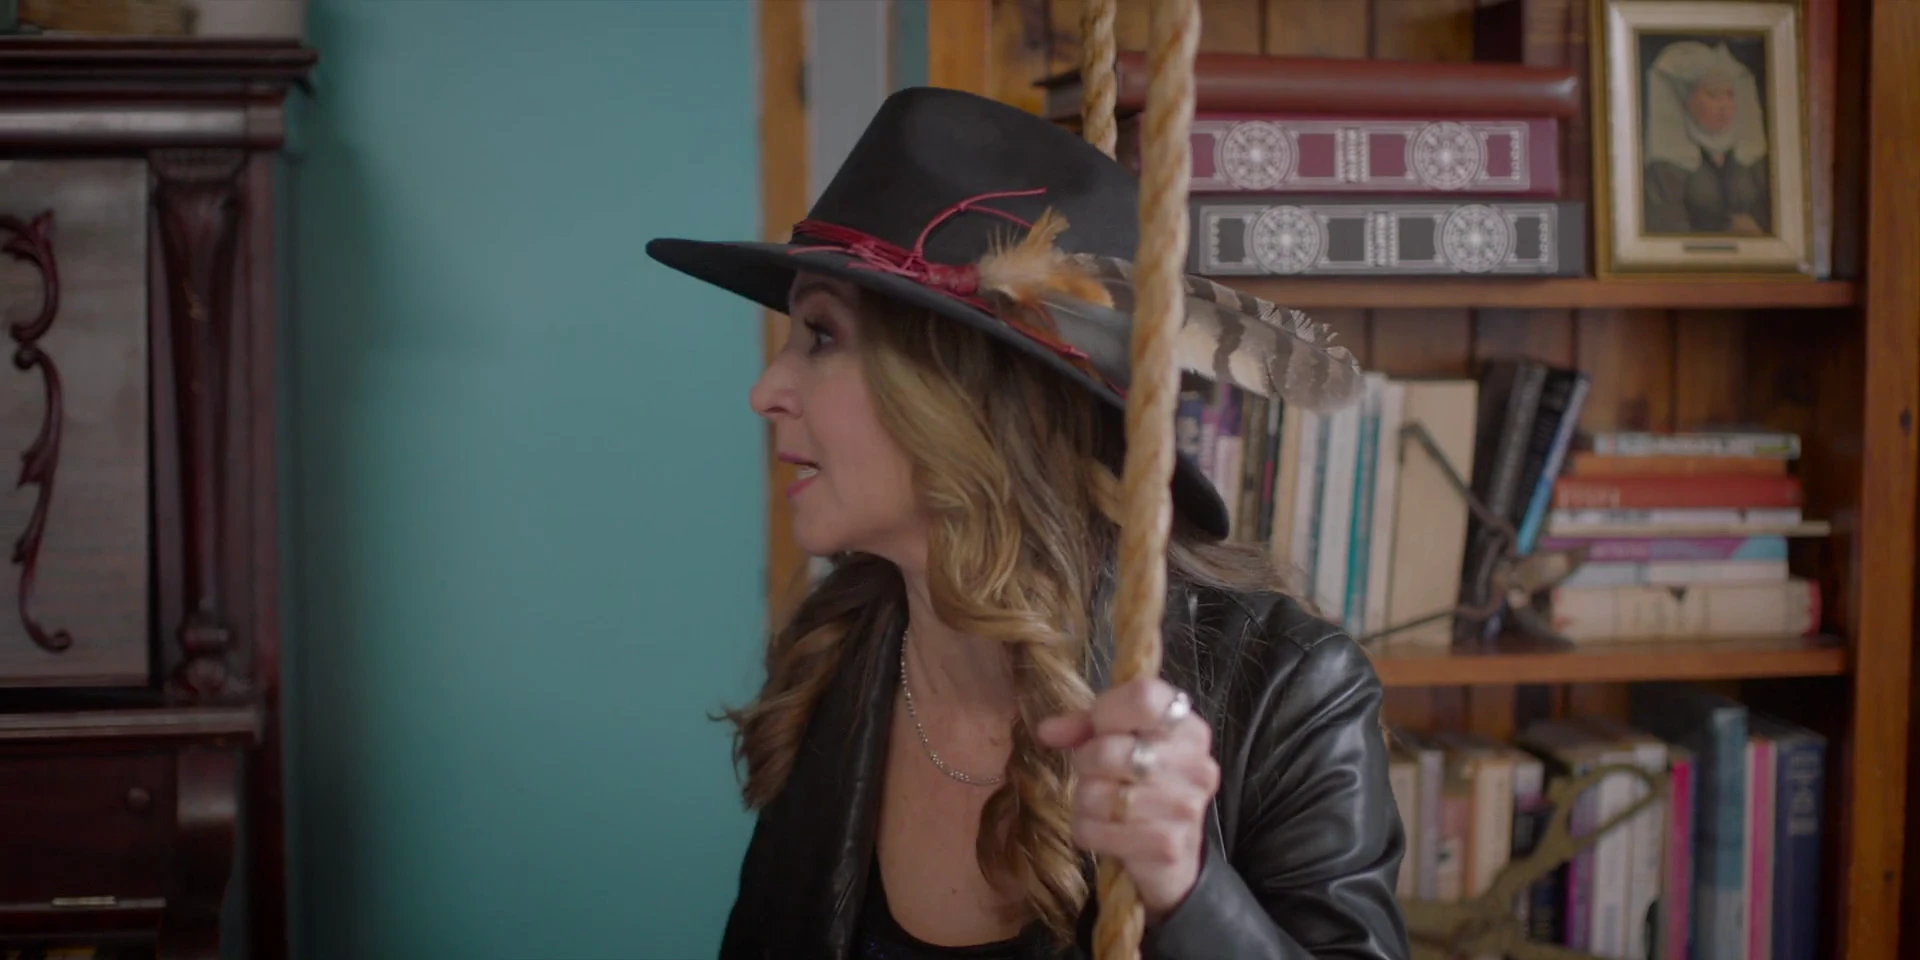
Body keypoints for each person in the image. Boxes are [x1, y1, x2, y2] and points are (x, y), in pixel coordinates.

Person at [647, 86, 1409, 960]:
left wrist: (1189, 891)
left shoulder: (1286, 691)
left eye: (820, 335)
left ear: (970, 389)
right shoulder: (835, 655)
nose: (765, 391)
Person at [1641, 38, 1771, 236]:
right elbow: (1665, 229)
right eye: (1713, 94)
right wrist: (1726, 228)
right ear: (1686, 100)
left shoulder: (1751, 155)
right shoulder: (1666, 164)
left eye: (1729, 94)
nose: (1724, 105)